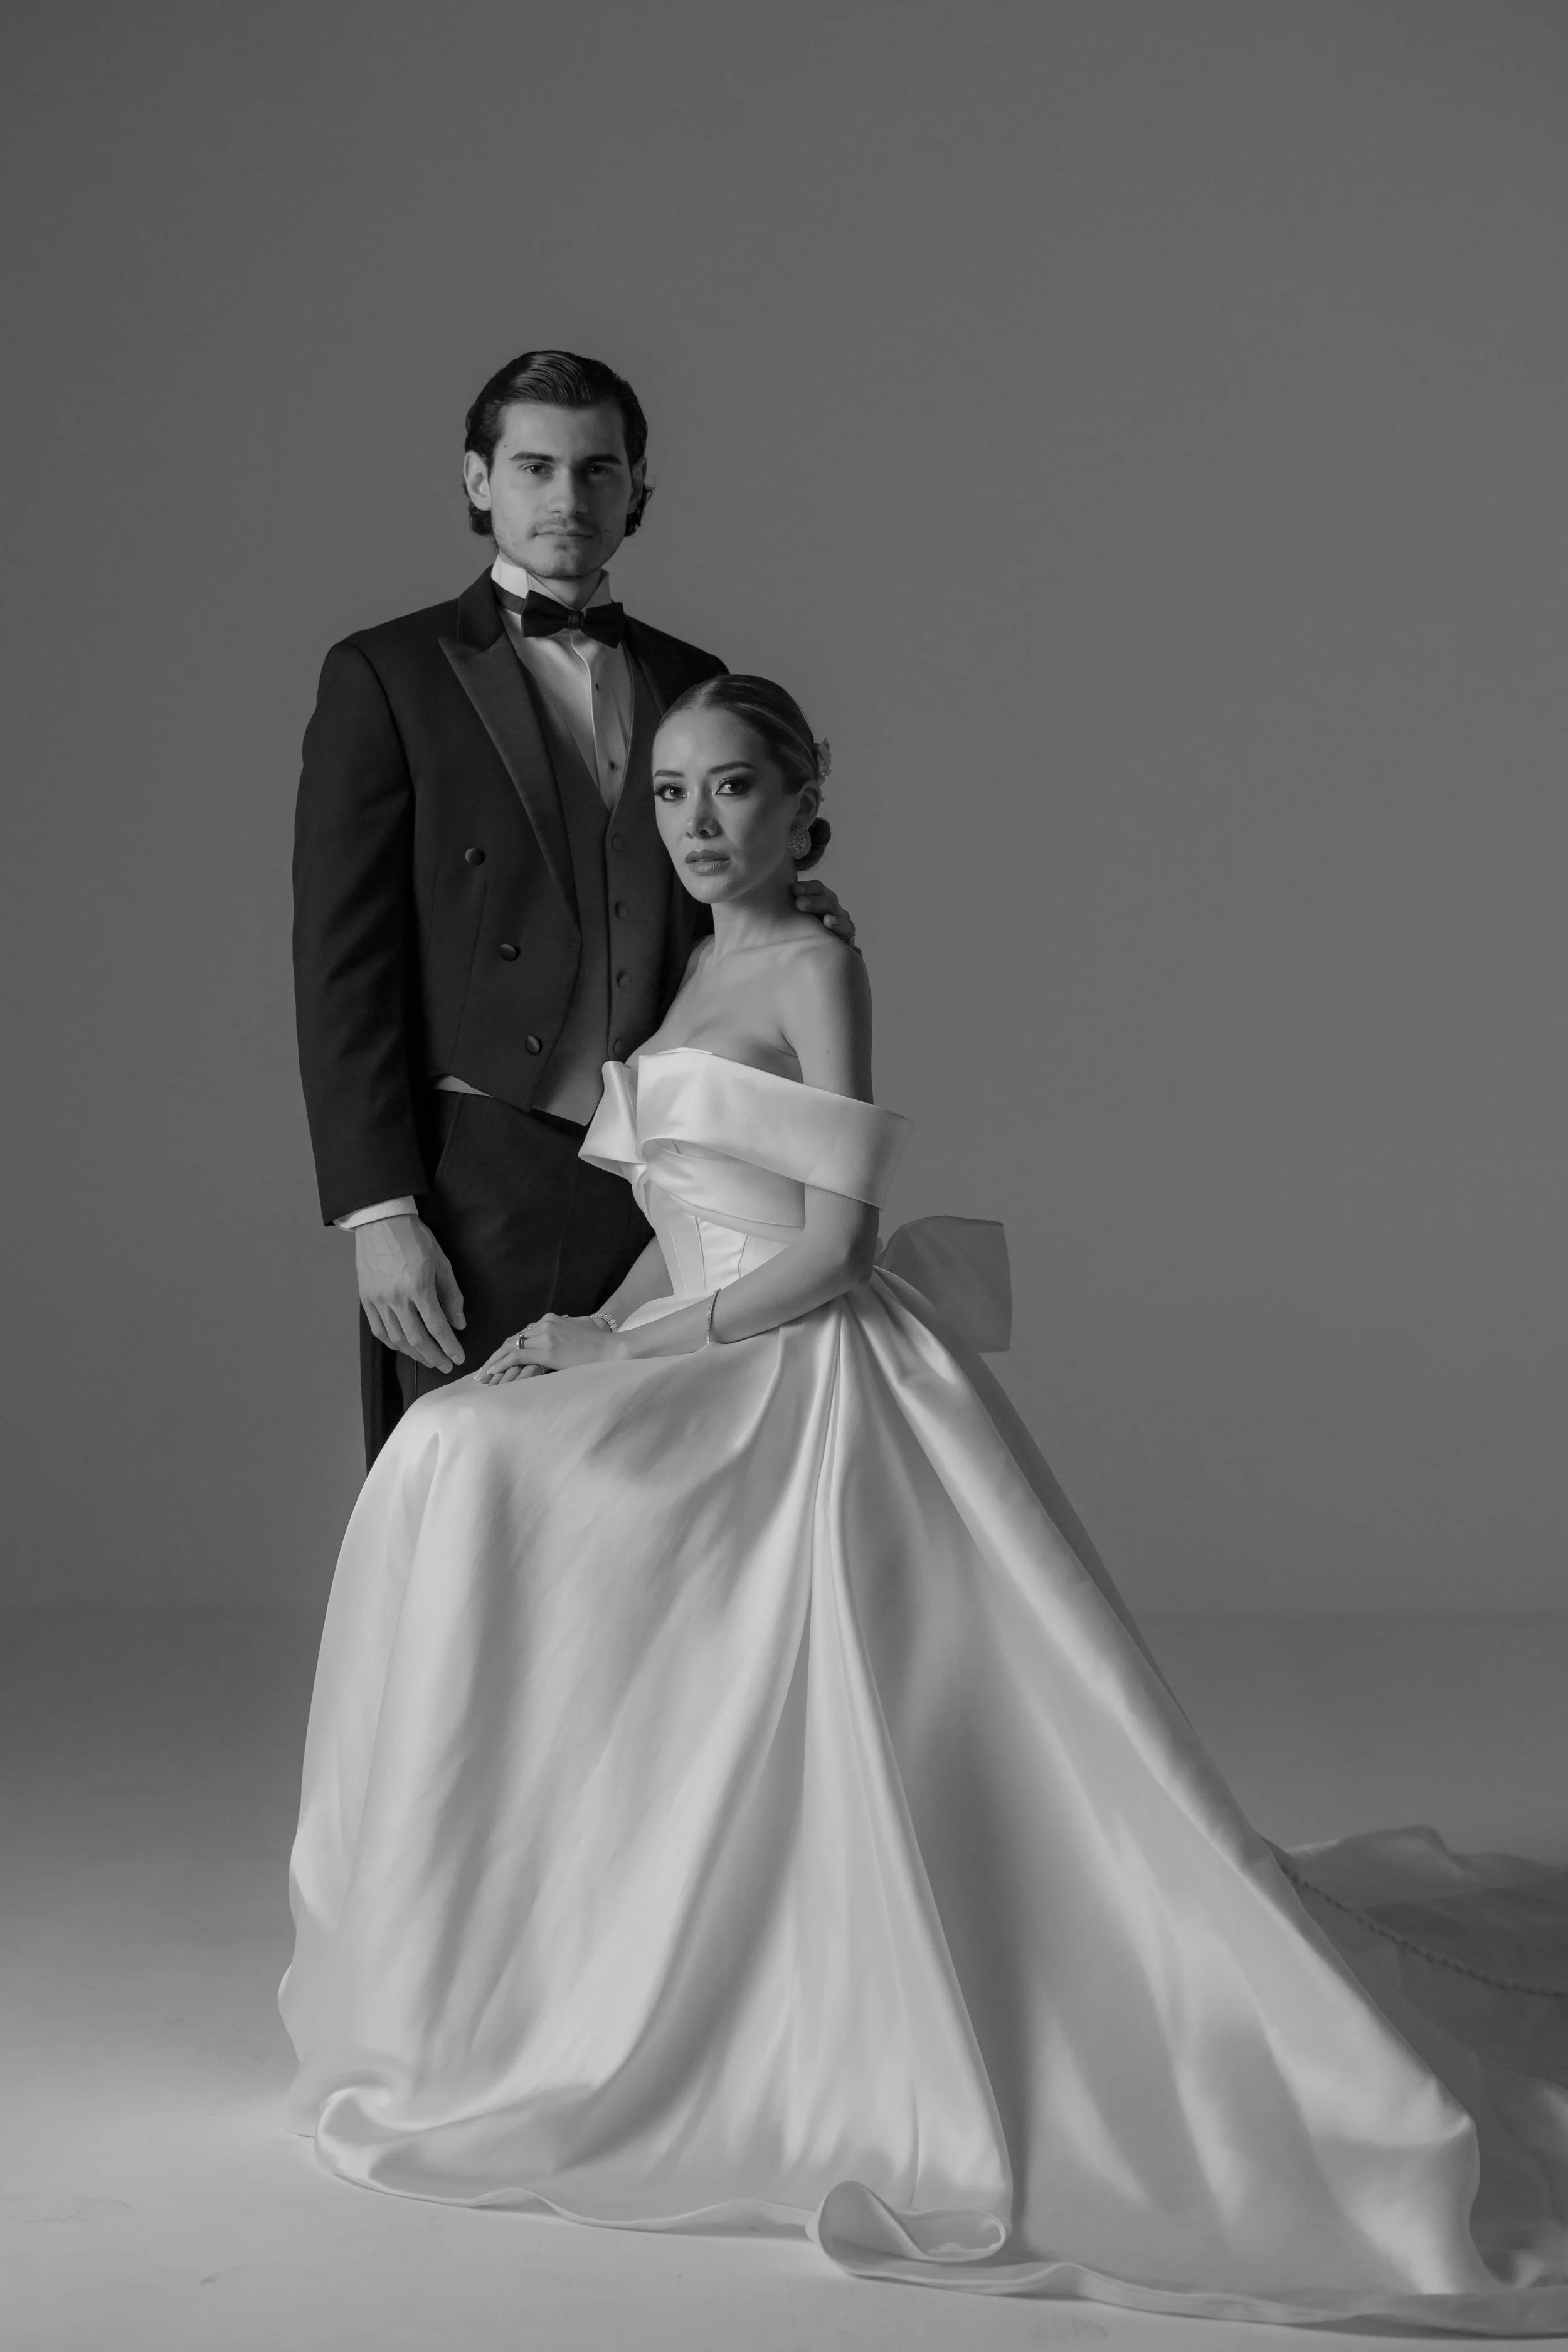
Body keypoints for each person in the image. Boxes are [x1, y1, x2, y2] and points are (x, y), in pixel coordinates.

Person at [282, 676, 1568, 2333]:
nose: (695, 821)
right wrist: (596, 1333)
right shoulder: (694, 963)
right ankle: (517, 1949)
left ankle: (646, 1972)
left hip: (797, 1360)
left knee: (473, 1467)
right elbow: (684, 1211)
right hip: (694, 1332)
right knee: (453, 1452)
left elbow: (830, 1246)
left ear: (803, 800)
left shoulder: (818, 964)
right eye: (672, 791)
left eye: (734, 789)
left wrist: (648, 1347)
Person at [292, 352, 854, 1465]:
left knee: (650, 1523)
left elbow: (718, 883)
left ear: (636, 488)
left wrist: (792, 913)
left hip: (664, 1178)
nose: (567, 498)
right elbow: (340, 962)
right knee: (467, 1494)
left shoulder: (694, 675)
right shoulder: (387, 674)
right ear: (477, 480)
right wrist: (379, 1213)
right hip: (478, 1171)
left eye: (599, 470)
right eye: (535, 466)